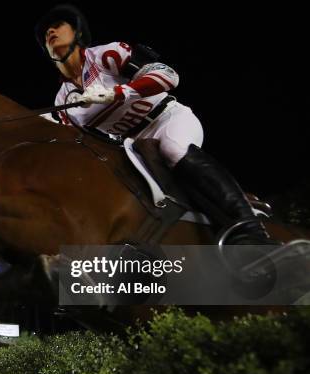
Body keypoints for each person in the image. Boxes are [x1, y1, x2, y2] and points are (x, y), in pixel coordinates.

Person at [35, 4, 276, 245]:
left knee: (173, 149)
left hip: (167, 119)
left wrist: (116, 93)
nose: (50, 32)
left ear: (77, 33)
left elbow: (168, 76)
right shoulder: (61, 99)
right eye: (46, 33)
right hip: (133, 147)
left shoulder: (106, 55)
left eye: (57, 26)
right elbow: (78, 144)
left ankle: (252, 230)